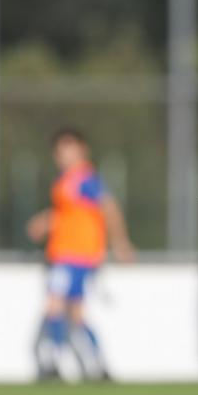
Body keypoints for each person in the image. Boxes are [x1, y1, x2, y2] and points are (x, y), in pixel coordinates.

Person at [26, 128, 134, 381]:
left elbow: (109, 207)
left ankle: (52, 362)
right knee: (75, 314)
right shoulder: (66, 181)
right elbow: (71, 214)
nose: (64, 156)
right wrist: (46, 221)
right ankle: (99, 365)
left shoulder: (85, 178)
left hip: (73, 255)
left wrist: (120, 242)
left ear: (82, 150)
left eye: (69, 150)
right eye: (60, 152)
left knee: (54, 306)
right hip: (69, 254)